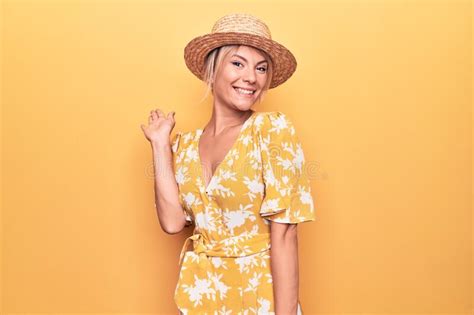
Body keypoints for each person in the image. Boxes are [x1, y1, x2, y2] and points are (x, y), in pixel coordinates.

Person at [141, 13, 316, 315]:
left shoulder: (272, 131)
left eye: (261, 68)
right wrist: (159, 145)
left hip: (259, 299)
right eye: (238, 63)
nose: (252, 77)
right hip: (202, 297)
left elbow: (286, 234)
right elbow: (172, 223)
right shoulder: (183, 146)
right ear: (212, 69)